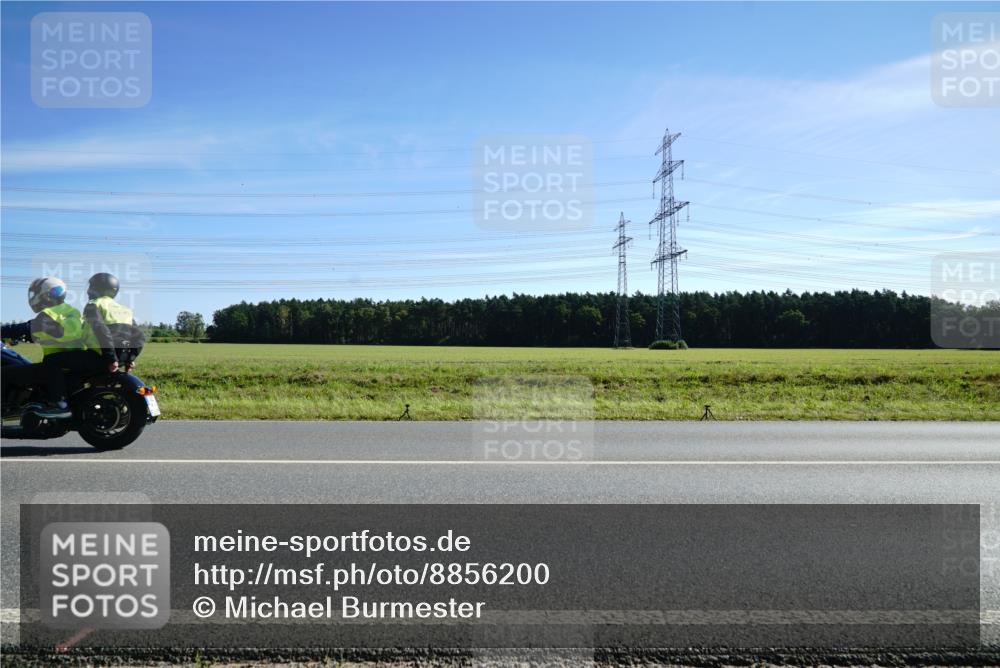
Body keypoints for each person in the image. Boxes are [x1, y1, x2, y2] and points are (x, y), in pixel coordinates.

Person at [0, 277, 82, 418]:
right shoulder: (69, 311)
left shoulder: (51, 313)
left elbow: (28, 327)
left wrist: (4, 330)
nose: (33, 297)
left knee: (4, 374)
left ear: (47, 294)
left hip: (58, 365)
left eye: (36, 293)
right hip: (68, 363)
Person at [81, 272, 143, 372]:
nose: (88, 291)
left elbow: (102, 332)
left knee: (54, 361)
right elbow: (139, 337)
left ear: (99, 289)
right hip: (121, 359)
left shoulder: (93, 304)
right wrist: (130, 358)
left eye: (91, 287)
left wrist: (111, 359)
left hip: (100, 357)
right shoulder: (125, 310)